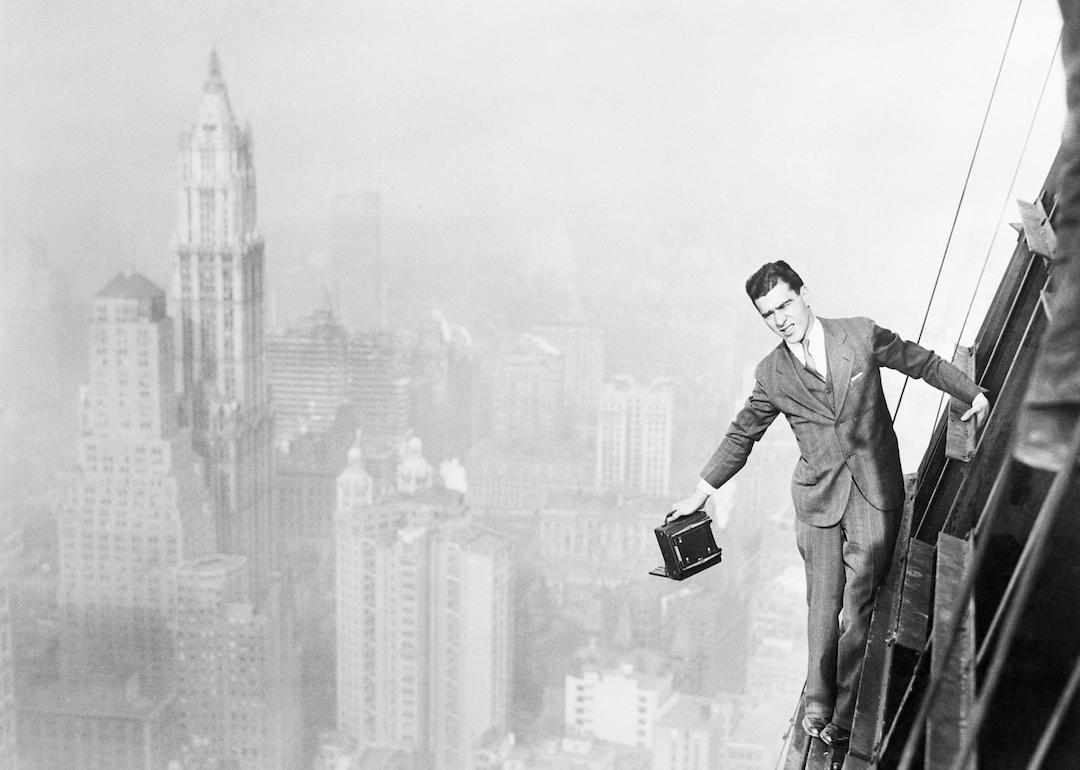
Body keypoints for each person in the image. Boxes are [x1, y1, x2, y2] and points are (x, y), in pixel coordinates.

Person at [671, 261, 989, 747]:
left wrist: (971, 393)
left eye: (784, 304)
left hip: (872, 496)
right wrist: (701, 491)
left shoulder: (859, 335)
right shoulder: (771, 374)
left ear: (804, 295)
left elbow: (919, 362)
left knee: (857, 608)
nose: (780, 319)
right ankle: (818, 704)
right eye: (768, 314)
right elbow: (743, 433)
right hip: (816, 502)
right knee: (821, 607)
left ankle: (842, 716)